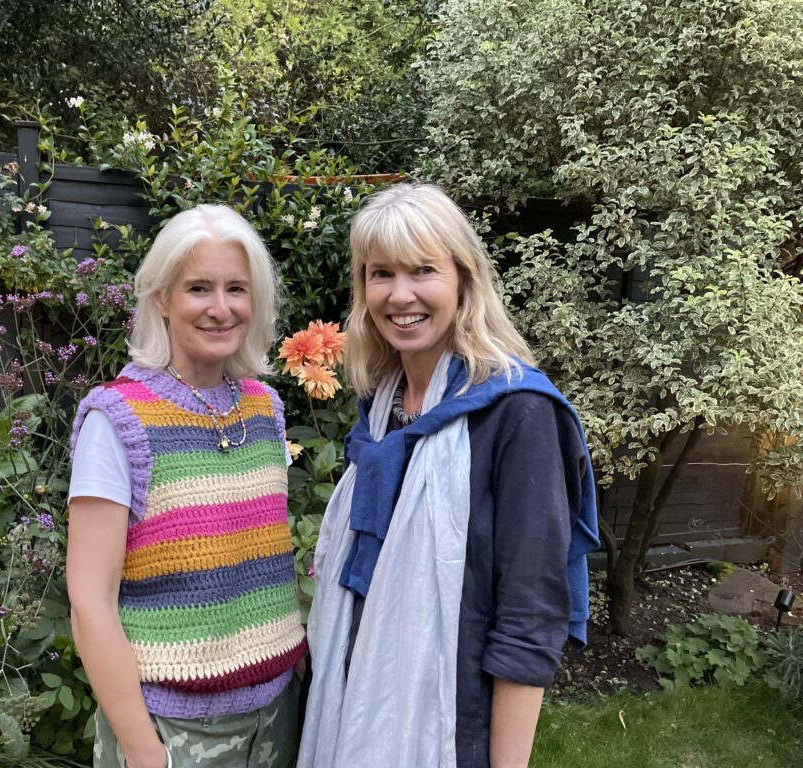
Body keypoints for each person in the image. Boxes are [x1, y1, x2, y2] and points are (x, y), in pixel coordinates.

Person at [298, 184, 600, 768]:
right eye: (380, 273)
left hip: (450, 729)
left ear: (464, 279)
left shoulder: (518, 413)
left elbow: (529, 616)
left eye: (423, 270)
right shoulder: (382, 407)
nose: (399, 294)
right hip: (352, 706)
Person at [66, 204, 307, 768]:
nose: (220, 308)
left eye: (236, 289)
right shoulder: (118, 420)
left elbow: (266, 556)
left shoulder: (264, 408)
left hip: (278, 714)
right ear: (161, 299)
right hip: (171, 728)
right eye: (199, 288)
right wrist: (145, 752)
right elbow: (89, 602)